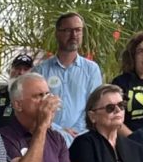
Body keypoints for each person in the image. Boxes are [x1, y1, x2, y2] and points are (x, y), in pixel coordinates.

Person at [34, 12, 102, 142]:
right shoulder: (41, 70)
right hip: (49, 138)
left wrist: (75, 132)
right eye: (68, 30)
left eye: (78, 30)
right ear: (57, 33)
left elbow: (94, 106)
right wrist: (58, 130)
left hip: (82, 139)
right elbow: (37, 106)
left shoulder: (91, 70)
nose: (74, 35)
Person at [0, 53, 33, 127]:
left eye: (25, 69)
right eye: (17, 68)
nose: (21, 72)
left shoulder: (36, 99)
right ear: (10, 71)